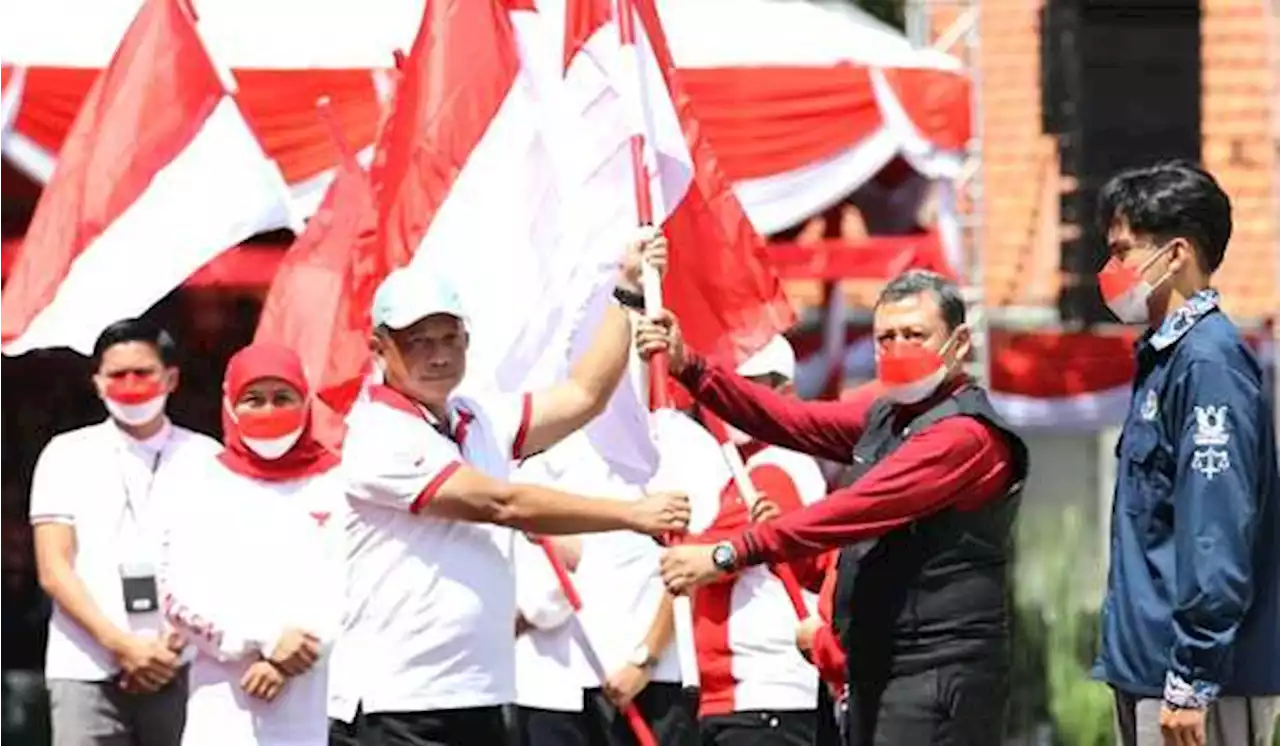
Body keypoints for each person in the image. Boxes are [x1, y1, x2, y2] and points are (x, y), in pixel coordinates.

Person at [327, 230, 691, 746]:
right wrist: (633, 514)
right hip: (399, 703)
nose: (437, 355)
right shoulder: (377, 432)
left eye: (450, 338)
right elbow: (502, 502)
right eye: (418, 342)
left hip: (482, 693)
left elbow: (584, 396)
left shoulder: (477, 418)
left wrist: (627, 292)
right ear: (379, 348)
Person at [638, 269, 1029, 746]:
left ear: (960, 342)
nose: (899, 348)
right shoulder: (889, 415)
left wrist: (727, 552)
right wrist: (693, 368)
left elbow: (853, 510)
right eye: (887, 337)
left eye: (915, 335)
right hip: (875, 664)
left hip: (938, 674)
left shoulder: (963, 436)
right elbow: (791, 420)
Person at [1091, 161, 1280, 746]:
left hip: (1194, 685)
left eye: (1123, 252)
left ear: (1175, 254)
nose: (1110, 270)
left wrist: (1191, 678)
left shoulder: (1208, 364)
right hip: (1147, 670)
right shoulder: (1165, 359)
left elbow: (1215, 528)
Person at [29, 318, 221, 746]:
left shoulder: (208, 458)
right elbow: (53, 568)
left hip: (184, 664)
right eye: (117, 375)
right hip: (86, 667)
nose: (131, 385)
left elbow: (221, 563)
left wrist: (170, 647)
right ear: (97, 382)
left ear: (171, 378)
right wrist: (121, 645)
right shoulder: (66, 454)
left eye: (143, 373)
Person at [161, 343, 346, 745]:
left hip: (319, 705)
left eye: (283, 398)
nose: (268, 410)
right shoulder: (198, 482)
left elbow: (358, 584)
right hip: (223, 710)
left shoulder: (341, 483)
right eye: (253, 399)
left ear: (306, 400)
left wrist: (291, 657)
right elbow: (176, 594)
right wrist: (262, 639)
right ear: (229, 405)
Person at [690, 335, 831, 746]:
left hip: (765, 694)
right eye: (728, 385)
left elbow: (697, 558)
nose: (733, 400)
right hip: (740, 696)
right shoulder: (740, 473)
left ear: (783, 392)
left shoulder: (777, 468)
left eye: (749, 387)